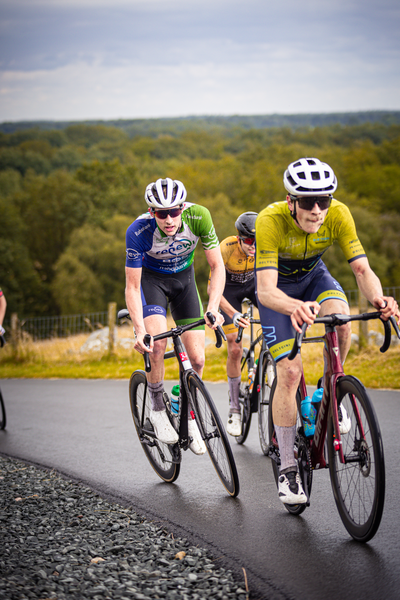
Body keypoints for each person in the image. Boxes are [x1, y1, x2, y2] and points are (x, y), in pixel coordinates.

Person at [255, 157, 400, 505]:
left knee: (341, 318)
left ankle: (329, 389)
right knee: (289, 372)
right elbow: (265, 291)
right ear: (291, 202)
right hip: (279, 292)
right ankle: (289, 468)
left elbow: (362, 269)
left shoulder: (338, 214)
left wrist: (380, 299)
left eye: (325, 200)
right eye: (308, 202)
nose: (318, 210)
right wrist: (294, 307)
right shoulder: (269, 221)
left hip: (314, 278)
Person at [125, 177, 225, 454]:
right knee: (158, 343)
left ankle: (187, 412)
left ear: (183, 207)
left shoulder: (199, 216)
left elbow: (217, 266)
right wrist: (138, 330)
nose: (168, 219)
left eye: (174, 211)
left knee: (198, 359)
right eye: (160, 213)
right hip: (152, 283)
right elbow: (132, 287)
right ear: (151, 213)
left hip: (184, 281)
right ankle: (157, 406)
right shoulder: (138, 231)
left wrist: (213, 308)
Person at [210, 212, 258, 437]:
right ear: (239, 238)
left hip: (255, 285)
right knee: (235, 345)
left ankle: (267, 366)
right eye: (248, 240)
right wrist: (233, 313)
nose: (253, 246)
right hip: (228, 292)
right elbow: (213, 290)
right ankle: (235, 409)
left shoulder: (265, 246)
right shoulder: (226, 248)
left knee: (277, 326)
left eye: (257, 240)